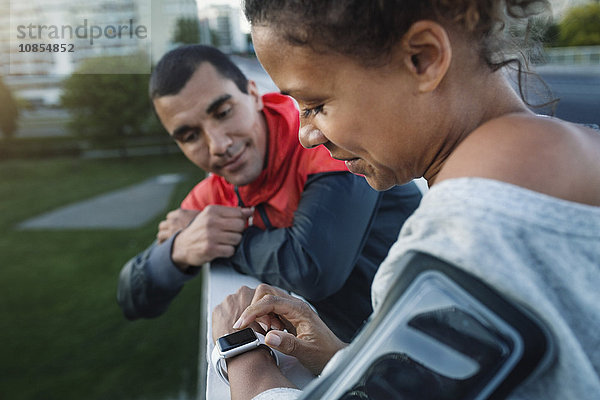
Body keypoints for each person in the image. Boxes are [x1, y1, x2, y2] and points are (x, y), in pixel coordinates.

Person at [211, 0, 600, 399]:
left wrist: (244, 357)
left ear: (423, 58)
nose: (306, 134)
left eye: (315, 105)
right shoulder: (576, 151)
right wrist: (348, 360)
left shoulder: (467, 235)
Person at [116, 45, 422, 342]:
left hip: (431, 320)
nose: (218, 145)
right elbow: (133, 297)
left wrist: (222, 240)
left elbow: (312, 269)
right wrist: (179, 250)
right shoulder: (213, 194)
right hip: (358, 349)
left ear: (253, 94)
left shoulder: (326, 138)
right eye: (190, 136)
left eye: (223, 112)